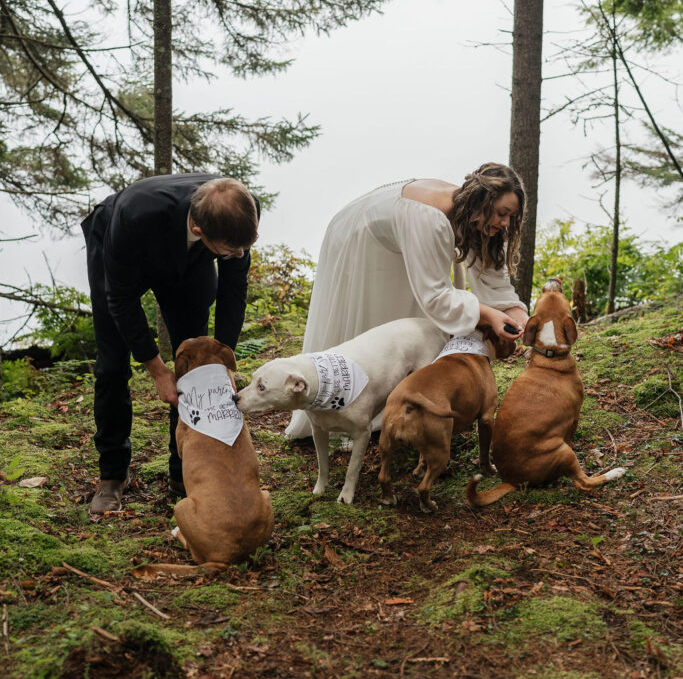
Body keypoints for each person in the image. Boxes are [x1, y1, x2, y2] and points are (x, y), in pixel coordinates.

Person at [285, 163, 528, 439]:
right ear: (481, 202)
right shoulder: (430, 218)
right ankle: (343, 412)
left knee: (404, 318)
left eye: (511, 216)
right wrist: (489, 315)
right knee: (372, 320)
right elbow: (435, 296)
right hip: (361, 236)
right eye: (502, 214)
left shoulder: (473, 217)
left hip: (398, 239)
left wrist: (517, 313)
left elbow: (493, 278)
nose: (506, 223)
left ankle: (394, 409)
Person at [81, 173, 260, 514]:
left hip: (191, 264)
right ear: (199, 230)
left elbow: (233, 288)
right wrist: (157, 369)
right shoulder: (135, 215)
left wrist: (222, 358)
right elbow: (120, 300)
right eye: (231, 249)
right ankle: (113, 473)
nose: (239, 255)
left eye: (244, 247)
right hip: (121, 248)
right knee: (112, 363)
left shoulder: (240, 210)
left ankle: (181, 472)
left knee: (196, 363)